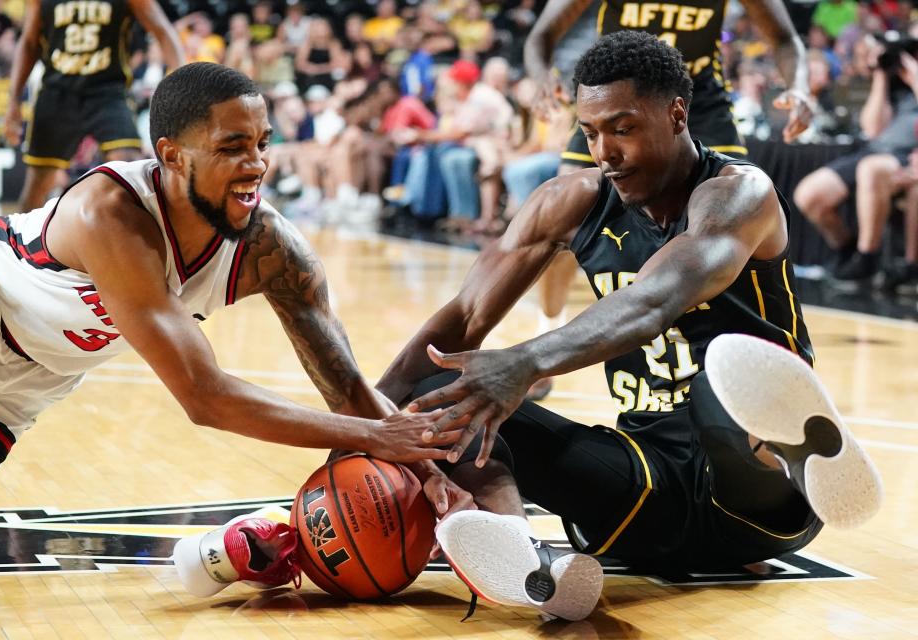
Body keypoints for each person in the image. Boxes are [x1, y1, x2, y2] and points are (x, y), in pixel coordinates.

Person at [376, 32, 882, 621]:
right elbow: (458, 323)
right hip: (643, 493)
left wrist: (523, 362)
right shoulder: (568, 201)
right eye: (589, 133)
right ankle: (527, 563)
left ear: (676, 113)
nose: (603, 152)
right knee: (443, 396)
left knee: (722, 369)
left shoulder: (739, 195)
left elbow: (652, 302)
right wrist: (362, 434)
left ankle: (803, 457)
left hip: (760, 503)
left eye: (622, 128)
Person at [0, 64, 471, 525]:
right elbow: (204, 397)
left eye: (262, 144)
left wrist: (428, 474)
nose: (256, 165)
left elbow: (348, 389)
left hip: (22, 389)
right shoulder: (111, 213)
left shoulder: (273, 250)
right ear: (172, 156)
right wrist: (375, 438)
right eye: (232, 147)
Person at [521, 0, 814, 399]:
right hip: (617, 107)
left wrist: (799, 85)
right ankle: (547, 325)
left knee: (732, 219)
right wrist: (540, 77)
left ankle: (733, 347)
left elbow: (783, 37)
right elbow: (542, 35)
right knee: (565, 220)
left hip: (700, 107)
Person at [3, 0, 186, 213]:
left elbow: (162, 29)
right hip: (57, 93)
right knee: (38, 181)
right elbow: (29, 42)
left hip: (107, 91)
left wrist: (185, 86)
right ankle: (18, 244)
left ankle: (128, 238)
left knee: (128, 167)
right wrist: (13, 100)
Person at [794, 43, 918, 286]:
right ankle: (847, 249)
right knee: (809, 196)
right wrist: (881, 76)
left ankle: (867, 257)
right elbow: (872, 128)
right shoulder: (895, 85)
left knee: (870, 169)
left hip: (905, 156)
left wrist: (915, 79)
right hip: (875, 150)